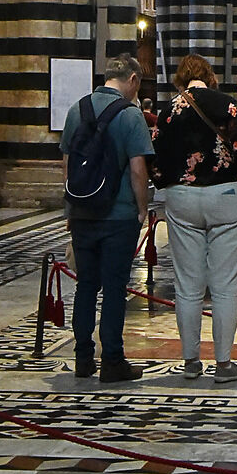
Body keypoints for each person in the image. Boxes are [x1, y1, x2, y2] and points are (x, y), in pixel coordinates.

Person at [154, 52, 237, 383]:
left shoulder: (168, 111)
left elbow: (155, 157)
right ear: (209, 76)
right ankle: (224, 364)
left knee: (187, 284)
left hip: (182, 198)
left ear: (181, 79)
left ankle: (190, 361)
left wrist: (168, 183)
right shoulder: (226, 104)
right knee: (225, 284)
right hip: (225, 196)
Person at [60, 54, 154, 383]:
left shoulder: (77, 109)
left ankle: (83, 358)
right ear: (132, 80)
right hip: (118, 214)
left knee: (86, 285)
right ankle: (112, 360)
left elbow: (68, 164)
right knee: (114, 288)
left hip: (83, 211)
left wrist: (71, 206)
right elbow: (138, 168)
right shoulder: (130, 115)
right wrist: (142, 208)